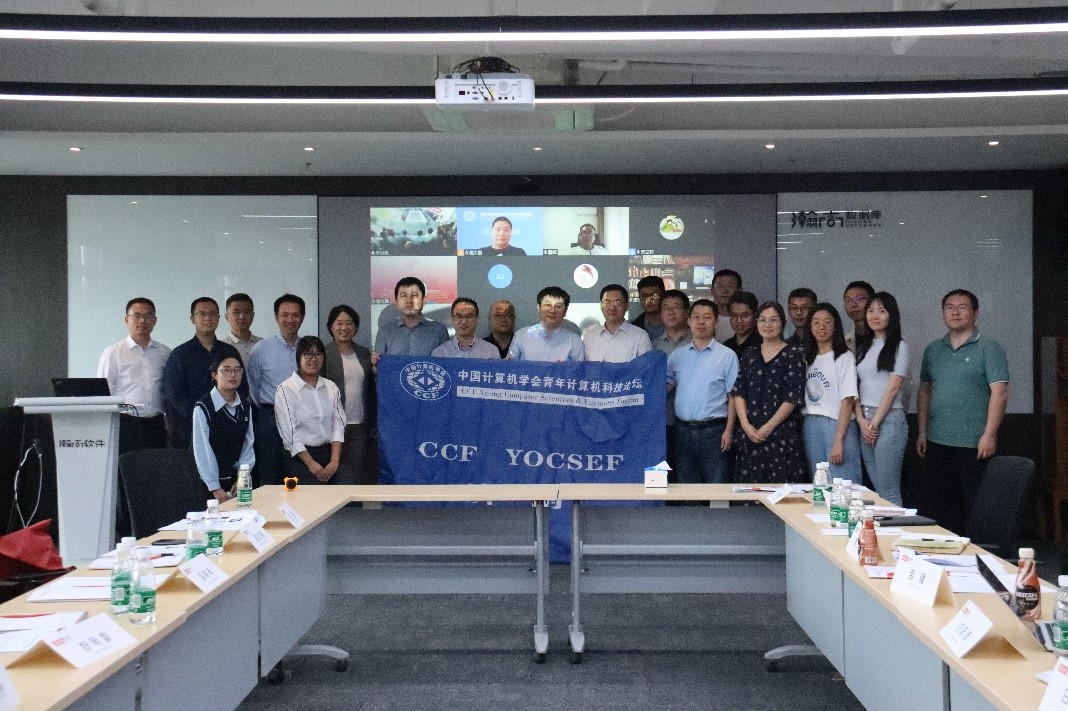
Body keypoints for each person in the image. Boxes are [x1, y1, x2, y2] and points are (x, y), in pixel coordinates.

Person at [917, 289, 1009, 533]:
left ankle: (978, 553)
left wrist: (989, 435)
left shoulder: (990, 348)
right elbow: (925, 390)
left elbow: (1000, 392)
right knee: (941, 508)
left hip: (974, 442)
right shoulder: (933, 349)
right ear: (943, 313)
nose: (955, 312)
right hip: (937, 440)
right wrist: (922, 431)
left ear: (975, 313)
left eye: (962, 307)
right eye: (949, 307)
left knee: (975, 507)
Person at [732, 302, 808, 484]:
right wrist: (746, 425)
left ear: (782, 323)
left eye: (773, 320)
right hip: (750, 432)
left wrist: (768, 427)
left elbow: (792, 397)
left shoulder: (794, 354)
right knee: (749, 491)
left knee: (782, 491)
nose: (767, 325)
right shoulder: (749, 354)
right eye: (762, 320)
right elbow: (739, 392)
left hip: (780, 433)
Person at [666, 299, 738, 484]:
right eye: (696, 317)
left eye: (707, 317)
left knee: (717, 486)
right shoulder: (677, 356)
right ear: (688, 321)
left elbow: (733, 397)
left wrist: (729, 430)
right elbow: (665, 388)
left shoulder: (727, 355)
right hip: (682, 431)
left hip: (714, 432)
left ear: (716, 322)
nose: (701, 322)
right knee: (686, 488)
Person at [161, 296, 245, 449]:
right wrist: (200, 415)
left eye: (212, 314)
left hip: (226, 425)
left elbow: (242, 387)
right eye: (202, 314)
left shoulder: (229, 351)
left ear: (219, 318)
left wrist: (227, 413)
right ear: (192, 319)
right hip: (189, 430)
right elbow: (173, 393)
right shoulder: (180, 354)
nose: (208, 318)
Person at [854, 292, 908, 506]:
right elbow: (855, 386)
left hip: (888, 419)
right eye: (870, 311)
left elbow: (893, 388)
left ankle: (899, 527)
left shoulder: (899, 346)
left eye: (882, 311)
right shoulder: (863, 346)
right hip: (865, 419)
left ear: (891, 315)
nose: (875, 316)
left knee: (889, 490)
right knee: (878, 489)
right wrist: (862, 420)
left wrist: (874, 423)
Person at [97, 297, 170, 453]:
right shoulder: (113, 353)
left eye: (148, 316)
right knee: (125, 467)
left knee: (155, 467)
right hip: (125, 424)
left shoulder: (164, 353)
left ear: (155, 321)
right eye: (137, 316)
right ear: (126, 320)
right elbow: (103, 392)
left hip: (156, 425)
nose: (142, 320)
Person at [246, 293, 306, 485]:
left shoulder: (307, 348)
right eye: (284, 315)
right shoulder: (261, 349)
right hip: (269, 417)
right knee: (269, 473)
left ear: (302, 318)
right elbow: (253, 387)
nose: (290, 320)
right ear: (276, 317)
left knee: (299, 473)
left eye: (295, 315)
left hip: (301, 417)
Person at [274, 336, 346, 484]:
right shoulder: (286, 389)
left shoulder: (331, 387)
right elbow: (289, 434)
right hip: (300, 456)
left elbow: (339, 424)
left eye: (318, 354)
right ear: (298, 358)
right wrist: (311, 464)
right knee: (313, 491)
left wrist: (334, 461)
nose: (313, 359)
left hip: (329, 453)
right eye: (308, 354)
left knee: (347, 486)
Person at [802, 303, 862, 481]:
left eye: (827, 322)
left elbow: (848, 400)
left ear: (835, 326)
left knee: (842, 481)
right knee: (819, 483)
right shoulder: (806, 358)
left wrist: (838, 441)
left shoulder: (844, 357)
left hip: (837, 424)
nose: (821, 327)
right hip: (811, 423)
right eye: (816, 322)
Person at [321, 305, 377, 485]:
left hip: (359, 426)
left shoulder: (364, 353)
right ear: (331, 327)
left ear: (356, 327)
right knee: (334, 477)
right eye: (339, 323)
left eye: (349, 323)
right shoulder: (324, 353)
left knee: (355, 476)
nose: (344, 328)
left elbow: (371, 388)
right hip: (331, 426)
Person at [192, 354, 254, 503]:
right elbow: (202, 450)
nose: (233, 375)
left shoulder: (245, 407)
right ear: (214, 375)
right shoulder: (203, 407)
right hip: (206, 484)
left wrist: (243, 477)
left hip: (235, 482)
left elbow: (248, 445)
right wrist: (214, 487)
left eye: (237, 370)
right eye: (226, 370)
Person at [652, 290, 692, 474]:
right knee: (663, 474)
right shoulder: (653, 346)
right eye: (665, 308)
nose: (670, 312)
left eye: (676, 307)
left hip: (690, 421)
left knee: (687, 476)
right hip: (662, 421)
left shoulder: (698, 342)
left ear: (687, 312)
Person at [373, 276, 449, 361]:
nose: (409, 301)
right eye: (403, 295)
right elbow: (379, 366)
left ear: (423, 300)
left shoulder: (439, 330)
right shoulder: (385, 331)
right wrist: (375, 363)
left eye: (414, 295)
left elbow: (445, 365)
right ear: (396, 301)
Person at [509, 286, 585, 362]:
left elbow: (579, 368)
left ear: (565, 311)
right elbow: (510, 366)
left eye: (558, 306)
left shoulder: (574, 341)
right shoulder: (521, 335)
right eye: (548, 305)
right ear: (538, 307)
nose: (552, 311)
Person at [583, 284, 652, 363]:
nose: (612, 308)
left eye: (617, 302)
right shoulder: (590, 336)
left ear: (627, 305)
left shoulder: (640, 336)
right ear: (601, 305)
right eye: (607, 302)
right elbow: (584, 368)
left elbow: (645, 368)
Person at [432, 298, 501, 359]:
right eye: (459, 316)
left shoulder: (491, 352)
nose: (464, 321)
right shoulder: (439, 353)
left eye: (469, 316)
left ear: (477, 319)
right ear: (452, 319)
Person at [223, 293, 262, 363]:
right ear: (226, 317)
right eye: (236, 312)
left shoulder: (263, 345)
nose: (242, 317)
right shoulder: (221, 348)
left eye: (246, 312)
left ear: (253, 316)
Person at [723, 291, 761, 356]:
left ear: (755, 316)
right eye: (734, 315)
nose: (739, 320)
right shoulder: (726, 347)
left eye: (745, 315)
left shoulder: (762, 345)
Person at [842, 280, 875, 353]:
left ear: (872, 301)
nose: (853, 305)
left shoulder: (886, 339)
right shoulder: (845, 342)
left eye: (859, 299)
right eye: (848, 300)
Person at [630, 275, 665, 341]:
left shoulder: (675, 324)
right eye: (644, 296)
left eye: (654, 295)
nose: (648, 300)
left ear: (663, 296)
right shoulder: (632, 327)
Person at [711, 269, 742, 342]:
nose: (725, 291)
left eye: (730, 286)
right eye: (719, 286)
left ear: (740, 291)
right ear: (712, 291)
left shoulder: (747, 320)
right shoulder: (705, 319)